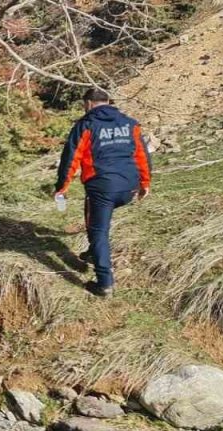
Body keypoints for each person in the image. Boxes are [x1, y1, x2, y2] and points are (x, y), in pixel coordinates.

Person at [54, 87, 152, 297]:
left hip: (103, 187)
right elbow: (142, 155)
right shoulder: (130, 123)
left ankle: (104, 283)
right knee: (92, 211)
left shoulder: (86, 125)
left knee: (99, 231)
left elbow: (71, 158)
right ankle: (93, 253)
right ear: (108, 102)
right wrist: (145, 183)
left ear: (88, 104)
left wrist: (61, 188)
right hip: (129, 187)